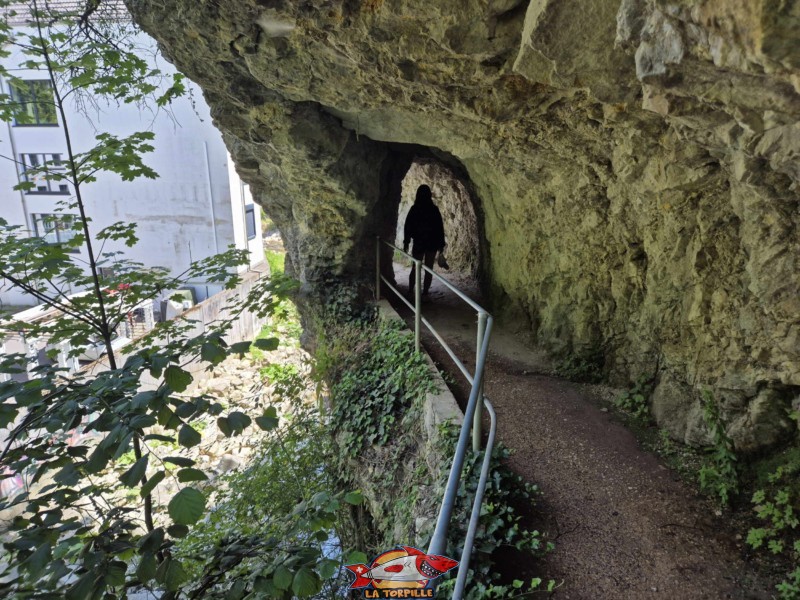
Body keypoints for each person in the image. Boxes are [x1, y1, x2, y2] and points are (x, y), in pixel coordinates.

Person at [403, 184, 445, 296]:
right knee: (429, 268)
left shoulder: (415, 209)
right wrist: (441, 245)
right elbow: (439, 228)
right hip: (431, 244)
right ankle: (425, 293)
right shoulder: (434, 210)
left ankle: (410, 290)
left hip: (419, 243)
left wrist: (406, 242)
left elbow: (408, 226)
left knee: (415, 268)